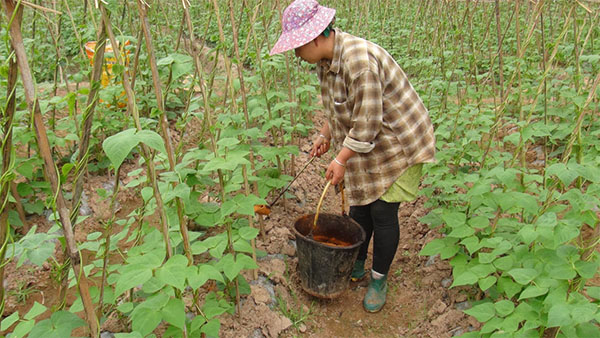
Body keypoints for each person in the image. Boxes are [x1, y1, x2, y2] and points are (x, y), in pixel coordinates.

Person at [270, 0, 436, 313]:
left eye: (297, 46)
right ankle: (355, 260)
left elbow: (367, 124)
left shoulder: (359, 62)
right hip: (371, 140)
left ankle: (378, 278)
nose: (295, 54)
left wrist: (341, 159)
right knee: (361, 207)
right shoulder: (326, 61)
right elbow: (340, 106)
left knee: (383, 213)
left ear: (316, 37)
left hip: (397, 143)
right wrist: (325, 134)